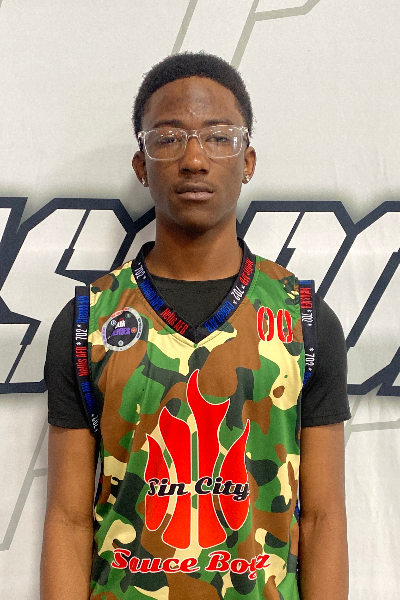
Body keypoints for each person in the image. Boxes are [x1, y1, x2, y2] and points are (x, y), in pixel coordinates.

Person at [41, 52, 350, 600]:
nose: (194, 159)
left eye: (218, 137)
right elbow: (68, 518)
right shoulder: (90, 321)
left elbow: (323, 518)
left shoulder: (304, 319)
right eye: (168, 138)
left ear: (247, 160)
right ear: (141, 164)